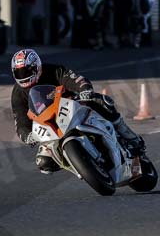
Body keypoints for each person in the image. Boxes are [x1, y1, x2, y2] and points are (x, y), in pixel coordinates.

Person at [10, 49, 144, 173]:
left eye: (26, 71)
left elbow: (73, 79)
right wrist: (27, 135)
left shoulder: (53, 70)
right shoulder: (17, 93)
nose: (23, 76)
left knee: (102, 102)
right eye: (19, 73)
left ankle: (129, 136)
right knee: (44, 163)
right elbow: (20, 119)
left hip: (70, 106)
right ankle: (80, 167)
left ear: (37, 67)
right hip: (49, 124)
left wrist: (84, 89)